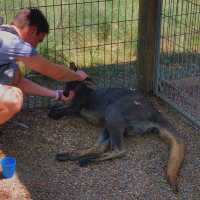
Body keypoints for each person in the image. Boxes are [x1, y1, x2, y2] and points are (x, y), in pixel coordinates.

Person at [0, 8, 88, 125]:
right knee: (14, 98)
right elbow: (54, 71)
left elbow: (19, 81)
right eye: (39, 40)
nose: (35, 47)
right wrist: (78, 76)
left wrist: (57, 95)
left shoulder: (4, 35)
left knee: (14, 74)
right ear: (33, 30)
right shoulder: (14, 44)